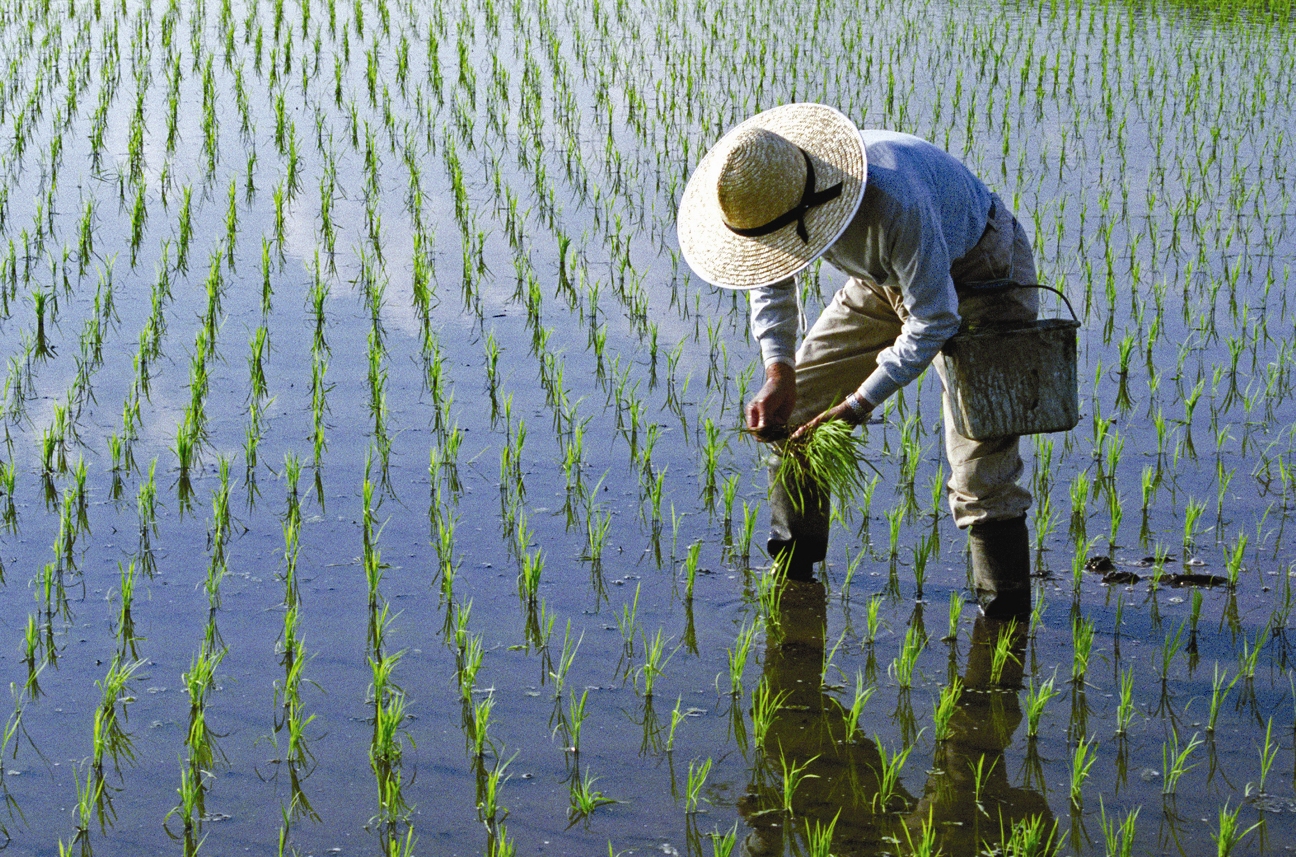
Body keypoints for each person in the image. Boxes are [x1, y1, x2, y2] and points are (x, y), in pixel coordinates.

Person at [677, 103, 1037, 618]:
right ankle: (793, 578)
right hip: (883, 279)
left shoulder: (894, 201)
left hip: (984, 273)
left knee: (981, 468)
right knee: (797, 416)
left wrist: (856, 407)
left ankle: (1004, 625)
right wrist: (780, 371)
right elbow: (771, 277)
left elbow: (934, 319)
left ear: (811, 210)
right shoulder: (770, 199)